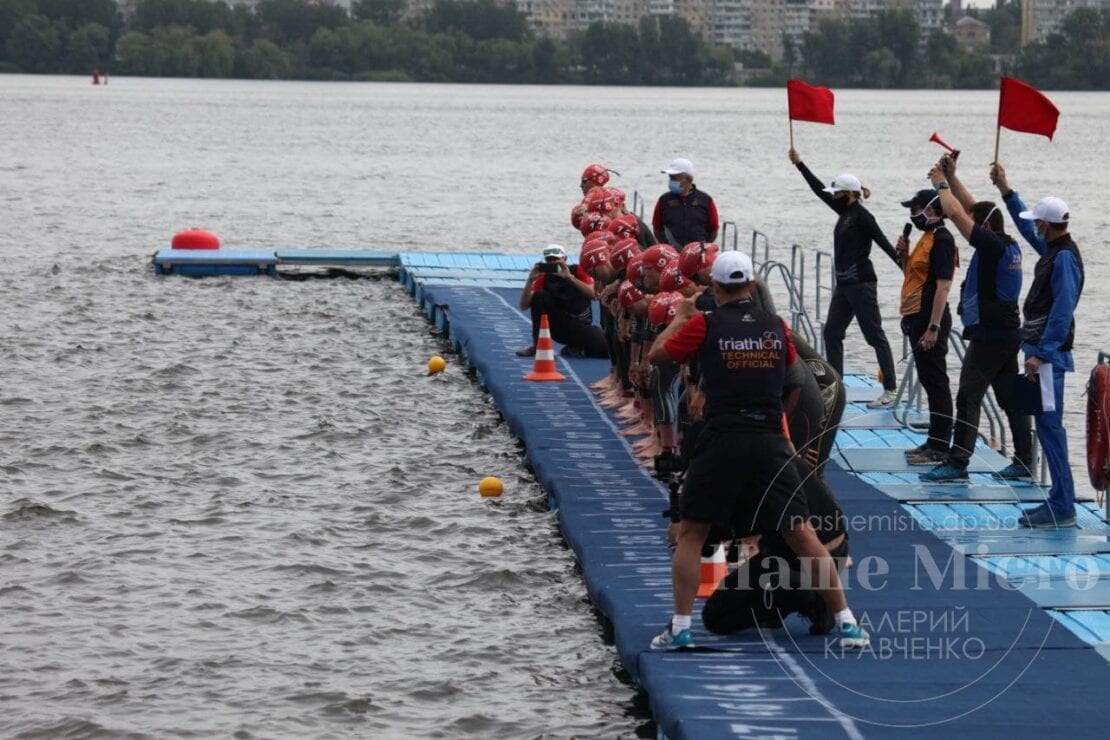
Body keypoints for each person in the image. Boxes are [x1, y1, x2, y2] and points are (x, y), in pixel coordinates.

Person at [647, 251, 869, 651]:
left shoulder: (704, 324)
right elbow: (787, 370)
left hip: (723, 437)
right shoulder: (777, 328)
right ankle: (847, 622)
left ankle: (680, 626)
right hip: (770, 438)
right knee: (800, 531)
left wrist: (680, 318)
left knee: (692, 534)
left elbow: (657, 356)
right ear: (752, 284)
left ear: (714, 287)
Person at [919, 156, 1032, 483]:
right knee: (1011, 398)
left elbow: (955, 213)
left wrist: (939, 182)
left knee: (968, 395)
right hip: (1009, 334)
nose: (971, 222)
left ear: (983, 228)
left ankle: (957, 463)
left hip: (991, 337)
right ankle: (1025, 461)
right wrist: (953, 178)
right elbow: (971, 208)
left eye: (975, 223)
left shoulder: (992, 246)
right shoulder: (1006, 241)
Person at [992, 163, 1085, 528]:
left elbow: (1063, 309)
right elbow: (1024, 226)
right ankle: (1059, 499)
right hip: (1038, 353)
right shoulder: (1052, 248)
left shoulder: (1062, 257)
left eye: (1039, 223)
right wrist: (1006, 192)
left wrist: (1043, 353)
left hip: (1047, 356)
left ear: (1048, 225)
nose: (1036, 228)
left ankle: (1062, 505)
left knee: (1049, 426)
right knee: (1046, 425)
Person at [789, 149, 901, 408]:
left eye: (836, 192)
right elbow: (818, 190)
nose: (833, 196)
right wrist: (800, 164)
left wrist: (908, 270)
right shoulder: (844, 213)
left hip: (862, 284)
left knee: (874, 335)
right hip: (844, 286)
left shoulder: (862, 216)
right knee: (831, 332)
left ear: (849, 193)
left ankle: (891, 390)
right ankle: (836, 387)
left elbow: (884, 243)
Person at [898, 188, 958, 466]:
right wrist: (903, 255)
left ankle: (940, 445)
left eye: (916, 209)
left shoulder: (943, 239)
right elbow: (916, 278)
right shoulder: (926, 237)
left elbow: (943, 286)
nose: (913, 214)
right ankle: (933, 440)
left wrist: (933, 327)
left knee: (936, 382)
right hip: (916, 316)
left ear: (932, 210)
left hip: (930, 319)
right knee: (928, 379)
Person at [516, 245, 608, 358]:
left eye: (556, 259)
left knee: (607, 347)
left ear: (565, 259)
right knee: (539, 296)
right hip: (558, 325)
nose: (553, 263)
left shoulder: (577, 271)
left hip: (579, 324)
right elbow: (523, 306)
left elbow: (594, 295)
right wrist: (530, 280)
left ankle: (578, 347)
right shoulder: (544, 277)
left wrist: (569, 277)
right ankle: (537, 345)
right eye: (549, 260)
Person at [651, 158, 719, 249]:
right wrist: (667, 246)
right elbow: (657, 228)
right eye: (670, 177)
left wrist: (702, 247)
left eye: (675, 178)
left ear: (688, 179)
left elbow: (713, 229)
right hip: (671, 255)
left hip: (697, 256)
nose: (671, 181)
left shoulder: (706, 200)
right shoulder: (663, 201)